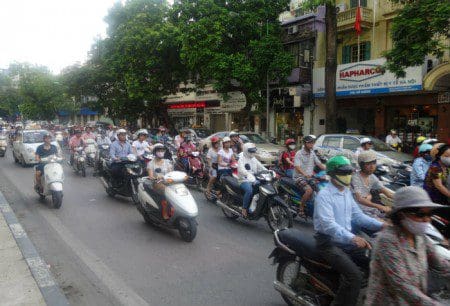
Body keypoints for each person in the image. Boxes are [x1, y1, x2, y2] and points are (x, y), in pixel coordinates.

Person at [314, 155, 384, 306]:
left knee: (377, 260)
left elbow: (358, 216)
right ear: (332, 174)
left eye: (349, 173)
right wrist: (353, 238)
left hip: (345, 239)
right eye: (343, 173)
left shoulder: (346, 191)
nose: (347, 176)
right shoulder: (324, 195)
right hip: (328, 243)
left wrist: (382, 225)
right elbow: (329, 225)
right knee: (355, 276)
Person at [365, 186, 450, 305]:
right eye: (420, 214)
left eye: (429, 214)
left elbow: (441, 264)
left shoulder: (420, 237)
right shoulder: (387, 241)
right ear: (401, 215)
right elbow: (402, 285)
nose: (427, 219)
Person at [351, 151, 393, 219]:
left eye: (374, 163)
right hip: (357, 210)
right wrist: (380, 206)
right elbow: (360, 199)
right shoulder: (355, 178)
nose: (372, 166)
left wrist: (404, 200)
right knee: (384, 225)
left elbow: (387, 193)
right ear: (361, 165)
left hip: (369, 208)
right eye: (368, 164)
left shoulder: (372, 177)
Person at [293, 135, 326, 216]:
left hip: (310, 177)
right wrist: (305, 174)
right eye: (310, 143)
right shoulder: (299, 153)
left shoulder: (312, 153)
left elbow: (319, 164)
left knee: (320, 190)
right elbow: (297, 167)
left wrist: (331, 170)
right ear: (305, 143)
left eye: (312, 143)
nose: (311, 145)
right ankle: (301, 208)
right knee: (309, 190)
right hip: (299, 177)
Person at [238, 143, 267, 217]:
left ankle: (255, 205)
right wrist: (247, 174)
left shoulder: (253, 158)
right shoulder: (241, 159)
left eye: (253, 151)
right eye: (251, 151)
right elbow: (241, 170)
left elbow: (261, 166)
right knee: (249, 190)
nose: (252, 153)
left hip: (254, 179)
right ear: (246, 151)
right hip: (244, 180)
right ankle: (244, 208)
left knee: (263, 188)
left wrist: (269, 171)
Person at [147, 144, 173, 219]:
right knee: (166, 192)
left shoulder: (167, 162)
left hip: (168, 181)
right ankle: (164, 212)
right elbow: (150, 176)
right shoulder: (151, 163)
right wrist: (156, 177)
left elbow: (171, 173)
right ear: (155, 152)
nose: (161, 152)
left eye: (162, 151)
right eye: (159, 151)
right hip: (157, 183)